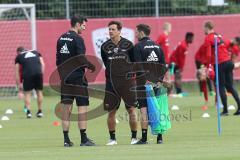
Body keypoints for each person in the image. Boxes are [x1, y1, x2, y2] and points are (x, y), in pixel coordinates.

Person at [56, 15, 96, 147]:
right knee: (82, 108)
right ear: (77, 24)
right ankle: (84, 139)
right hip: (78, 78)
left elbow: (58, 60)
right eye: (83, 26)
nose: (84, 28)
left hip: (65, 79)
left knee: (66, 109)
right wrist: (91, 66)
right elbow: (80, 57)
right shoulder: (78, 39)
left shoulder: (61, 38)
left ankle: (66, 140)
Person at [101, 21, 138, 145]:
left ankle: (134, 138)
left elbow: (134, 62)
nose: (110, 31)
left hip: (127, 83)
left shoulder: (128, 45)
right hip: (111, 83)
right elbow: (106, 64)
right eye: (109, 29)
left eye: (113, 29)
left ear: (119, 30)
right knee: (111, 112)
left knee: (131, 109)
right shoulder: (104, 46)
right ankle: (112, 139)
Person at [134, 24, 167, 144]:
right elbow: (163, 65)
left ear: (142, 33)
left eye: (137, 32)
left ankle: (144, 138)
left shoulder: (138, 47)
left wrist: (145, 79)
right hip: (156, 83)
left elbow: (138, 65)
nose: (136, 34)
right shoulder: (158, 46)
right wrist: (159, 80)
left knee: (144, 110)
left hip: (143, 83)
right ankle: (159, 138)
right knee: (157, 109)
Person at [203, 21, 240, 116]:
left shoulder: (208, 38)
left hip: (220, 64)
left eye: (204, 28)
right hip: (228, 62)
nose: (203, 30)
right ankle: (239, 108)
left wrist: (208, 67)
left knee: (220, 87)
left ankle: (225, 110)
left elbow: (208, 55)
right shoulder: (218, 36)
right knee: (230, 87)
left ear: (207, 28)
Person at [15, 46, 45, 118]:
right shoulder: (36, 52)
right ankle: (40, 112)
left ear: (19, 52)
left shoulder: (19, 56)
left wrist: (19, 86)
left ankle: (28, 113)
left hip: (27, 74)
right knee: (39, 92)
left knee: (27, 93)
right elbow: (43, 64)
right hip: (38, 73)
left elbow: (16, 72)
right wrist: (41, 74)